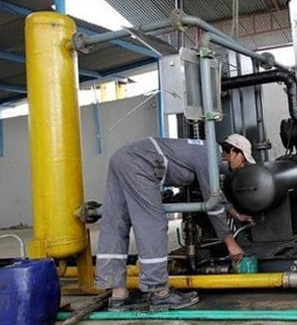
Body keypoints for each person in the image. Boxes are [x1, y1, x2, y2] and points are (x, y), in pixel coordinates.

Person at [95, 133, 256, 311]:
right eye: (244, 160)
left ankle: (118, 295)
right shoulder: (211, 156)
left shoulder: (202, 148)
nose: (243, 165)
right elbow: (213, 201)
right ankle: (160, 293)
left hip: (122, 157)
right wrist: (230, 241)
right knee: (152, 224)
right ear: (234, 151)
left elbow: (216, 195)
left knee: (116, 222)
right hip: (141, 163)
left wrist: (235, 213)